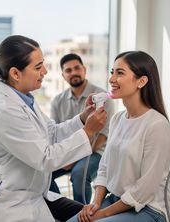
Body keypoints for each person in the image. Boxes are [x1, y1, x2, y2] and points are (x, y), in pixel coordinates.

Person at [0, 35, 107, 222]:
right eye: (37, 67)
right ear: (15, 74)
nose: (45, 71)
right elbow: (46, 158)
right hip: (8, 202)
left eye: (43, 64)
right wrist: (88, 132)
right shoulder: (4, 110)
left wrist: (83, 119)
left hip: (31, 194)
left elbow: (51, 133)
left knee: (89, 217)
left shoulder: (23, 98)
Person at [68, 51, 170, 222]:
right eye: (112, 72)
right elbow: (104, 167)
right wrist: (96, 204)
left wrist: (103, 214)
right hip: (116, 200)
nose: (111, 79)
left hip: (149, 209)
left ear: (142, 81)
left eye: (120, 73)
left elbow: (145, 190)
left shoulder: (157, 125)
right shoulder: (118, 119)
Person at [50, 53, 115, 204]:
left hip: (96, 152)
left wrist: (72, 159)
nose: (73, 72)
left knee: (79, 174)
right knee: (43, 171)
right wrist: (66, 155)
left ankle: (81, 214)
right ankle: (60, 208)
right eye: (68, 70)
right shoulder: (57, 101)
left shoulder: (102, 97)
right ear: (63, 75)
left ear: (84, 70)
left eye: (77, 68)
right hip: (67, 151)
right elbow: (56, 134)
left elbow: (103, 137)